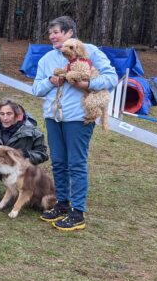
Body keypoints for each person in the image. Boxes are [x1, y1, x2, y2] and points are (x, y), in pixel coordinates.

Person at [32, 16, 117, 231]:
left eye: (56, 32)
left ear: (69, 33)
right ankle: (62, 204)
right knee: (59, 162)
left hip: (79, 118)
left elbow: (111, 78)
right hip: (54, 118)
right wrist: (51, 82)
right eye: (50, 33)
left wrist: (86, 83)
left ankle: (77, 212)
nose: (52, 37)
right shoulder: (47, 59)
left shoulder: (90, 51)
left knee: (76, 163)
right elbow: (36, 89)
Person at [0, 98, 49, 205]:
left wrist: (25, 154)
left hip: (18, 170)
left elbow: (43, 154)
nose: (5, 118)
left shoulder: (33, 132)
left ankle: (23, 191)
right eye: (2, 114)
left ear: (18, 115)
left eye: (9, 114)